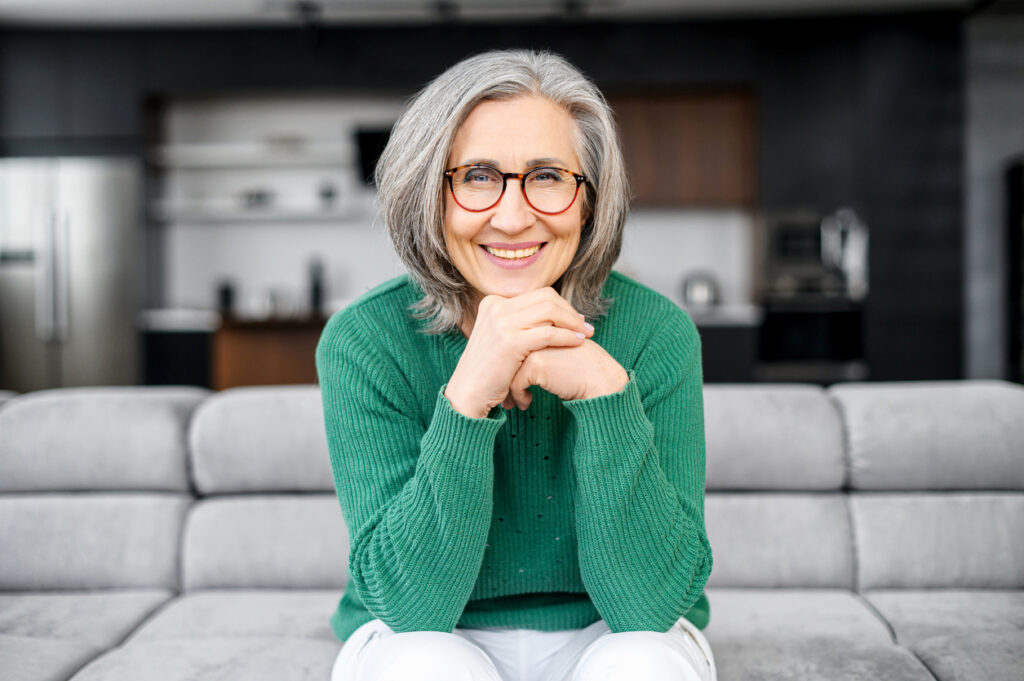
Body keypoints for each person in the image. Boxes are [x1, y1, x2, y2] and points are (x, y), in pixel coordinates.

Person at [316, 48, 716, 681]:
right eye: (477, 176)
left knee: (642, 664)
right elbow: (410, 609)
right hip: (425, 632)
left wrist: (606, 395)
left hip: (611, 628)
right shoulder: (364, 340)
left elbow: (649, 607)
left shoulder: (657, 333)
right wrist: (467, 399)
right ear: (429, 194)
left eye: (548, 176)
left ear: (589, 201)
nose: (512, 217)